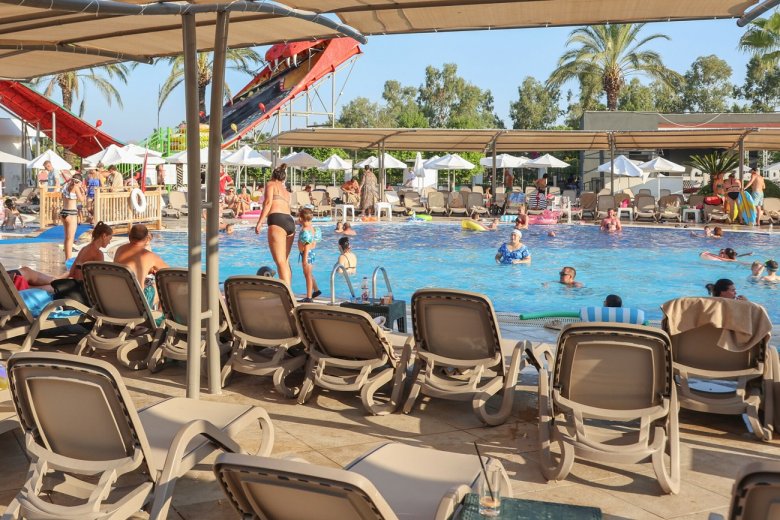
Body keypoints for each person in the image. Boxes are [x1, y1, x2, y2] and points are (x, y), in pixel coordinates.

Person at [255, 164, 295, 286]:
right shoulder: (286, 192)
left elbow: (268, 203)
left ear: (273, 176)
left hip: (277, 220)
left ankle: (288, 294)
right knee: (285, 261)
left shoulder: (270, 184)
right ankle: (289, 289)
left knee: (280, 262)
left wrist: (260, 222)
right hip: (290, 222)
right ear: (283, 178)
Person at [113, 224, 169, 308]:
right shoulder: (149, 255)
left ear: (129, 236)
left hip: (116, 299)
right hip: (137, 304)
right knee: (164, 285)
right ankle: (159, 314)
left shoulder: (119, 250)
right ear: (146, 239)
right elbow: (168, 272)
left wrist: (147, 269)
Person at [297, 208, 321, 303]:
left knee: (307, 275)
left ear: (301, 218)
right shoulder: (313, 229)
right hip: (311, 253)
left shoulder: (305, 230)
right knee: (309, 273)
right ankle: (316, 290)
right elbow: (314, 243)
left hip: (306, 254)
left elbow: (307, 245)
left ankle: (309, 297)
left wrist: (304, 259)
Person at [60, 174, 85, 262]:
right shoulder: (76, 187)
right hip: (71, 214)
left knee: (67, 238)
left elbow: (63, 197)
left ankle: (66, 258)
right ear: (79, 182)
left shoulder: (66, 186)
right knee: (70, 238)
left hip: (64, 212)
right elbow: (82, 200)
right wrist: (83, 192)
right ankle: (68, 259)